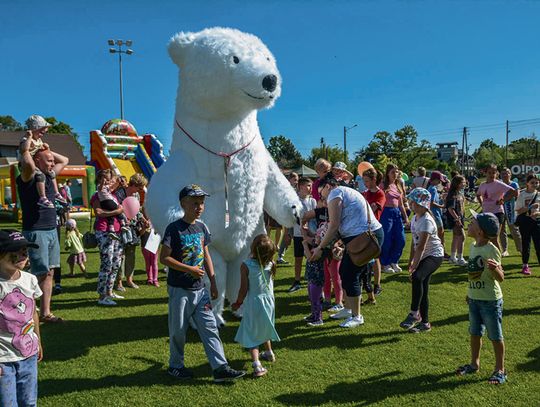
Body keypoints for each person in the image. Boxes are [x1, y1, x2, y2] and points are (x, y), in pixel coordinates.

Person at [160, 184, 245, 382]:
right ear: (183, 204)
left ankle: (220, 368)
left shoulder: (201, 227)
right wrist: (188, 269)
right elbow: (164, 258)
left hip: (201, 289)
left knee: (210, 328)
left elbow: (205, 254)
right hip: (180, 289)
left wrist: (213, 282)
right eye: (194, 203)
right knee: (178, 331)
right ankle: (176, 366)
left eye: (201, 203)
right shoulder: (174, 229)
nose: (199, 207)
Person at [310, 177, 383, 328]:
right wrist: (336, 243)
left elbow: (334, 224)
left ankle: (357, 316)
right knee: (345, 271)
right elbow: (342, 223)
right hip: (362, 237)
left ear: (328, 186)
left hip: (365, 238)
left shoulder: (335, 193)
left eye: (321, 193)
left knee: (350, 274)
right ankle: (349, 309)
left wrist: (320, 248)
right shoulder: (341, 192)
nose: (321, 197)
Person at [17, 131, 68, 323]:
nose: (52, 163)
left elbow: (65, 159)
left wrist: (46, 149)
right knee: (36, 273)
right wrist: (31, 148)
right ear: (37, 160)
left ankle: (45, 313)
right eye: (47, 161)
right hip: (36, 231)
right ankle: (26, 311)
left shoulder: (49, 175)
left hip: (51, 229)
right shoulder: (29, 176)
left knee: (50, 272)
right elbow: (28, 162)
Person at [456, 212, 507, 385]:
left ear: (480, 232)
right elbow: (473, 274)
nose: (469, 224)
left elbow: (501, 277)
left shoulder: (491, 250)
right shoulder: (472, 246)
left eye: (473, 222)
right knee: (475, 333)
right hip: (474, 298)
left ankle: (500, 369)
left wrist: (495, 269)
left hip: (490, 301)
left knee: (495, 335)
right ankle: (474, 364)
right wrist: (469, 293)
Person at [0, 230, 43, 406]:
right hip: (3, 359)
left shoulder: (30, 280)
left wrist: (38, 341)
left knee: (29, 401)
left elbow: (33, 313)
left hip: (28, 355)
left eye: (24, 250)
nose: (22, 255)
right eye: (15, 251)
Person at [232, 234, 280, 377]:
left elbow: (243, 289)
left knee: (252, 333)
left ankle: (257, 365)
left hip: (254, 303)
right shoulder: (271, 263)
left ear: (253, 248)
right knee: (264, 325)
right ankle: (269, 353)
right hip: (269, 301)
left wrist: (238, 303)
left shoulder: (246, 265)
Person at [400, 188, 444, 333]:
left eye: (413, 202)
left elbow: (422, 247)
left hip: (434, 255)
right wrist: (411, 261)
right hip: (423, 254)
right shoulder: (415, 218)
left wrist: (414, 265)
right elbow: (414, 243)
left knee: (418, 277)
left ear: (422, 204)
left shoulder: (426, 221)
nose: (410, 204)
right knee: (423, 288)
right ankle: (425, 324)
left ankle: (414, 314)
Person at [91, 170, 125, 306]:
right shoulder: (97, 195)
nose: (109, 181)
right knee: (107, 263)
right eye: (106, 179)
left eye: (110, 179)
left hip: (116, 231)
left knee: (116, 263)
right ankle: (102, 296)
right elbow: (98, 212)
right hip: (104, 231)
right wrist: (116, 211)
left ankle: (110, 292)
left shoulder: (112, 195)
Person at [20, 115, 66, 209]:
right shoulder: (27, 139)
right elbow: (24, 150)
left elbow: (43, 152)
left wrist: (46, 147)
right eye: (41, 131)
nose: (43, 133)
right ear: (34, 129)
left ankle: (56, 193)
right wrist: (29, 138)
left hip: (36, 163)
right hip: (26, 164)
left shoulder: (38, 140)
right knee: (40, 176)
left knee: (51, 174)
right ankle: (42, 197)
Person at [115, 173, 149, 291]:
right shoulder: (120, 193)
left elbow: (136, 210)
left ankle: (129, 280)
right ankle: (119, 281)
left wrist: (143, 219)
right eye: (139, 187)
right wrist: (125, 219)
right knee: (121, 255)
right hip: (121, 227)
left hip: (133, 228)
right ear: (133, 184)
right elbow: (117, 210)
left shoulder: (137, 195)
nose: (140, 190)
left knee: (131, 254)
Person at [476, 164, 518, 250]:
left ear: (496, 174)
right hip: (486, 214)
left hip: (497, 213)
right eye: (489, 173)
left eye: (494, 173)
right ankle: (489, 257)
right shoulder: (482, 185)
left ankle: (498, 260)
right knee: (486, 237)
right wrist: (482, 203)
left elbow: (514, 192)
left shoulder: (499, 184)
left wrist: (503, 200)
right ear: (485, 173)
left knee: (494, 238)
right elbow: (478, 195)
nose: (491, 175)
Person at [288, 177, 316, 293]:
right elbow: (295, 218)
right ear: (300, 187)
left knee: (313, 257)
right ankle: (297, 281)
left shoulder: (312, 201)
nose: (310, 188)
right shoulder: (294, 201)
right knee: (298, 258)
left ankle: (313, 280)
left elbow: (315, 217)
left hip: (312, 234)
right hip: (299, 234)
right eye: (308, 186)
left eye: (311, 186)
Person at [379, 164, 408, 273]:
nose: (395, 174)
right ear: (387, 173)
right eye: (393, 172)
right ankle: (385, 263)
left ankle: (394, 261)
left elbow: (400, 204)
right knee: (387, 239)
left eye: (396, 172)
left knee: (401, 239)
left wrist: (406, 218)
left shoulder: (397, 185)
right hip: (386, 212)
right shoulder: (383, 185)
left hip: (397, 213)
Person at [362, 168, 385, 295]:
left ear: (374, 180)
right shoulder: (365, 193)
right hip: (364, 228)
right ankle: (367, 283)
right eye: (364, 181)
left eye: (367, 181)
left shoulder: (380, 193)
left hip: (375, 229)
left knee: (375, 257)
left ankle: (377, 285)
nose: (365, 183)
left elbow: (373, 207)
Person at [514, 174, 540, 275]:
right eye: (532, 182)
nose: (535, 184)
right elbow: (518, 211)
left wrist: (537, 213)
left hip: (537, 222)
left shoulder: (538, 194)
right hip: (525, 222)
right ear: (527, 184)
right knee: (526, 244)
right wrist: (530, 207)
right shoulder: (522, 195)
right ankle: (525, 266)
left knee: (538, 245)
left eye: (537, 182)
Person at [277, 172, 299, 264]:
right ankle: (279, 257)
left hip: (296, 216)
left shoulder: (296, 189)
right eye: (295, 179)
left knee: (292, 238)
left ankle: (280, 257)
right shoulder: (286, 189)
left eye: (297, 179)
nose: (296, 181)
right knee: (287, 237)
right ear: (289, 179)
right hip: (288, 216)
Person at [500, 168, 522, 256]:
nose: (505, 175)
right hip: (500, 209)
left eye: (507, 173)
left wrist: (504, 199)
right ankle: (505, 250)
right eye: (503, 174)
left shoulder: (514, 184)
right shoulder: (499, 184)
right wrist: (509, 196)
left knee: (514, 230)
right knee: (502, 230)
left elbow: (517, 194)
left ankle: (521, 249)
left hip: (511, 210)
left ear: (510, 174)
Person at [445, 175, 467, 265]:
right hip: (455, 219)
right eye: (463, 182)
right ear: (457, 184)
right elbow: (450, 208)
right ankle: (460, 259)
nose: (464, 184)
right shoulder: (453, 194)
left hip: (459, 218)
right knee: (462, 237)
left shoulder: (459, 193)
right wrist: (457, 218)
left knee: (456, 237)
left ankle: (453, 257)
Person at [427, 171, 447, 257]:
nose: (440, 182)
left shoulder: (430, 188)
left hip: (433, 213)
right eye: (439, 180)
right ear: (434, 179)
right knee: (441, 234)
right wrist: (442, 206)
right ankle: (442, 251)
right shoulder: (433, 189)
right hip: (435, 214)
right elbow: (431, 203)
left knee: (434, 234)